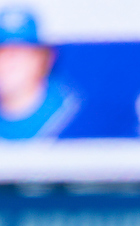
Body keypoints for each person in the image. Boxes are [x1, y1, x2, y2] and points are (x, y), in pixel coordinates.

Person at [0, 9, 79, 139]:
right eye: (2, 51)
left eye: (20, 51)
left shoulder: (72, 114)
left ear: (44, 58)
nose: (7, 61)